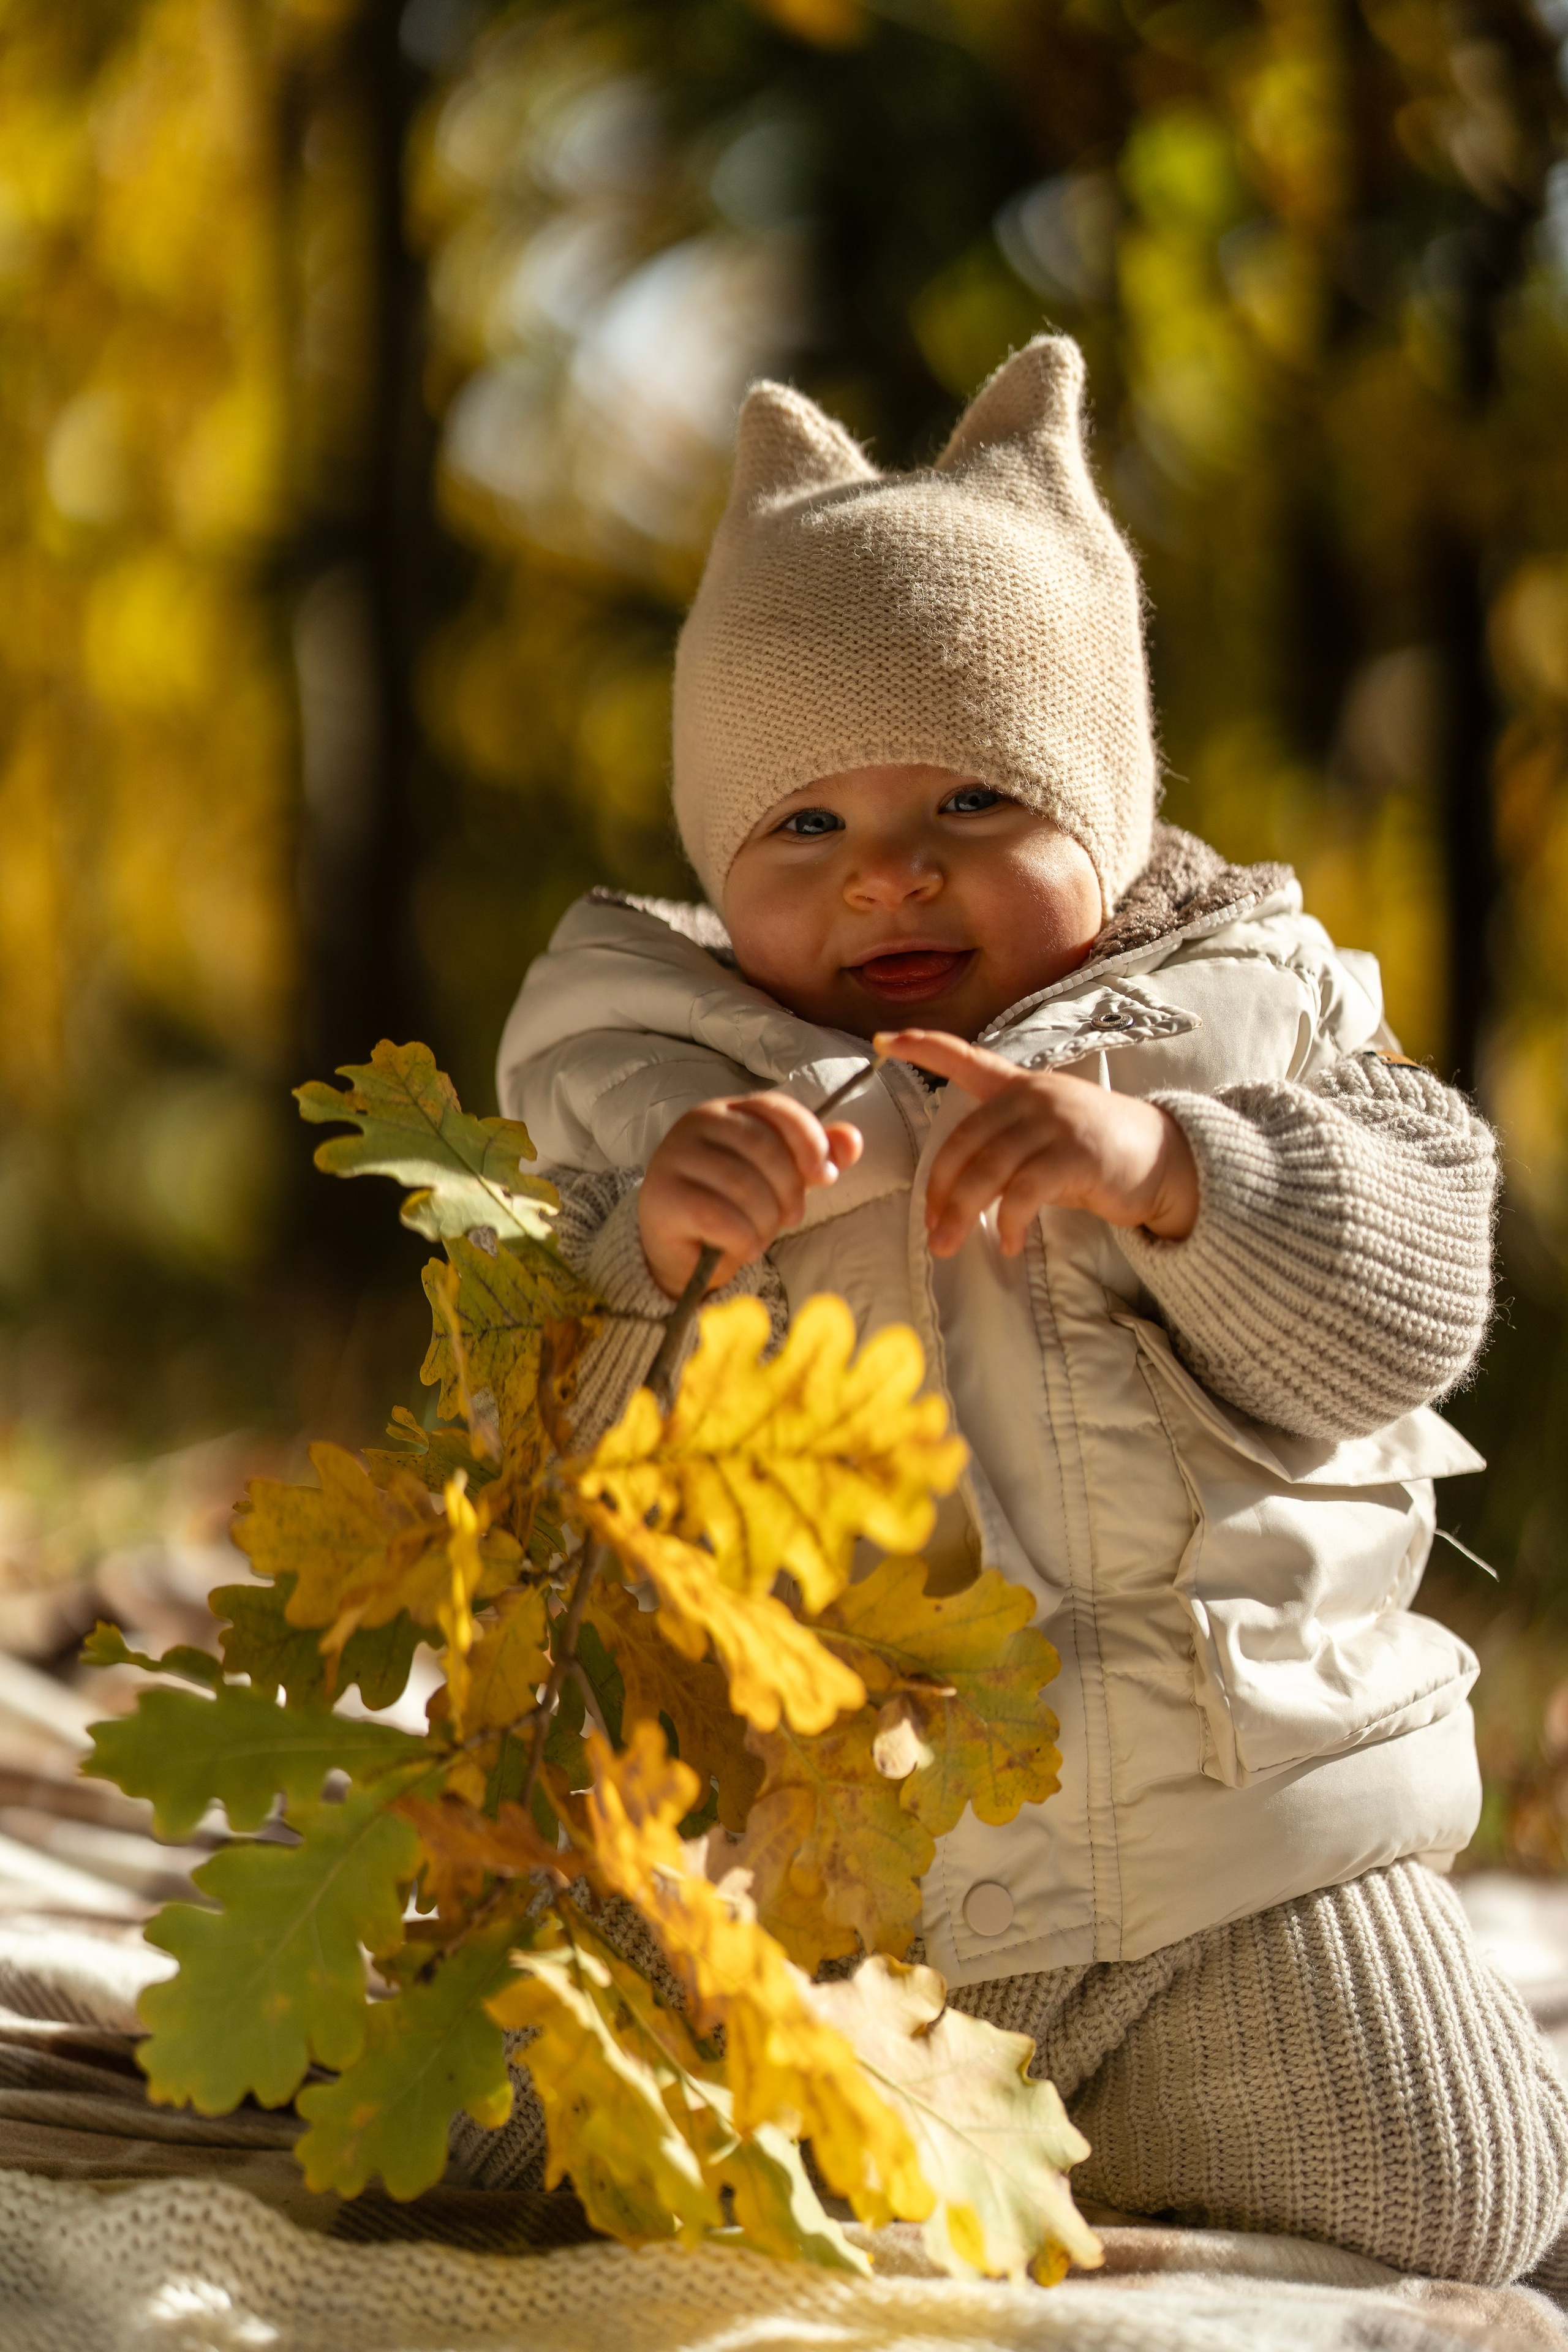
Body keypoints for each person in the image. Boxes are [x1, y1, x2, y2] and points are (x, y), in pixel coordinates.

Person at [491, 336, 1568, 2282]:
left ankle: (1160, 2130)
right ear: (719, 868)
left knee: (1467, 2198)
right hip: (795, 1887)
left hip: (1218, 1861)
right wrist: (631, 1257)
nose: (891, 869)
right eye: (802, 828)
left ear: (1116, 814)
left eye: (979, 796)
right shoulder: (627, 1075)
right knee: (494, 2144)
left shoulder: (1253, 1018)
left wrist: (1180, 1177)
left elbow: (1416, 1288)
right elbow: (498, 1445)